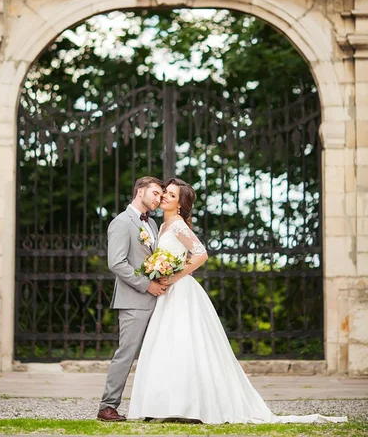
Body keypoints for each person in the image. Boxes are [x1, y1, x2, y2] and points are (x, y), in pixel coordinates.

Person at [128, 178, 347, 425]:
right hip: (169, 292)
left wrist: (175, 276)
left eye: (171, 195)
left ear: (180, 205)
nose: (165, 197)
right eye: (165, 193)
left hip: (181, 291)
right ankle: (165, 404)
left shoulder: (178, 225)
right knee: (166, 343)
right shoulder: (162, 226)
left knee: (184, 341)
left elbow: (201, 254)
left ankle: (190, 405)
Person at [97, 176, 165, 422]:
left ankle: (154, 406)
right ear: (139, 191)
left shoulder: (153, 224)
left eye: (160, 195)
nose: (159, 199)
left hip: (157, 300)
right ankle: (107, 406)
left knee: (156, 354)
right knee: (126, 353)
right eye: (155, 193)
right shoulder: (121, 223)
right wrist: (147, 285)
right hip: (133, 300)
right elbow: (116, 263)